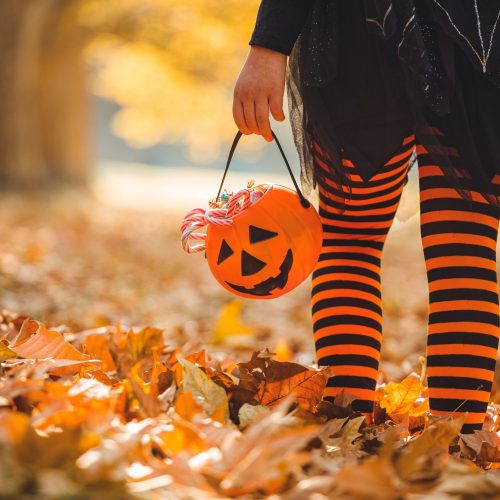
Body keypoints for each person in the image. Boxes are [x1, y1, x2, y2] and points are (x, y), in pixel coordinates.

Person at [233, 0, 500, 433]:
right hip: (374, 35)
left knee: (449, 242)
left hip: (455, 39)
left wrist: (269, 43)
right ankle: (373, 426)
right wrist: (268, 45)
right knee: (362, 239)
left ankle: (443, 435)